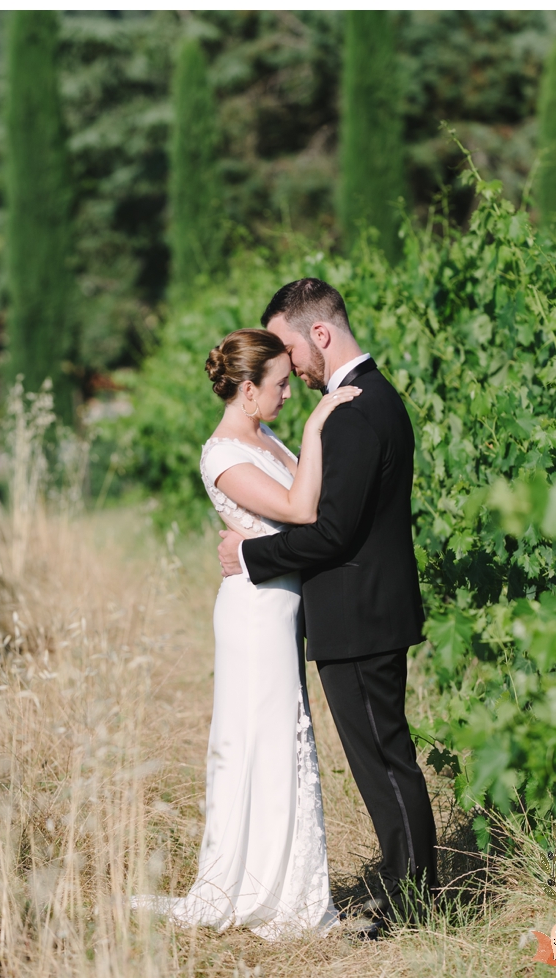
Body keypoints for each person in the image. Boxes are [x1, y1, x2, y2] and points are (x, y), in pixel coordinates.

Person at [217, 278, 436, 933]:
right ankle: (405, 888)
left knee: (383, 762)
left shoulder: (352, 409)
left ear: (319, 333)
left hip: (360, 615)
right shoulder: (370, 399)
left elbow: (333, 531)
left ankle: (411, 905)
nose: (286, 365)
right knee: (382, 759)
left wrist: (249, 557)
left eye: (287, 346)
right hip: (363, 610)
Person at [133, 326, 358, 941]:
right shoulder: (223, 454)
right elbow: (300, 510)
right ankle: (259, 887)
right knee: (258, 742)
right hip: (253, 612)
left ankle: (289, 881)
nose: (289, 394)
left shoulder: (262, 434)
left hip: (281, 607)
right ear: (247, 390)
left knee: (282, 740)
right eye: (280, 385)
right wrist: (316, 430)